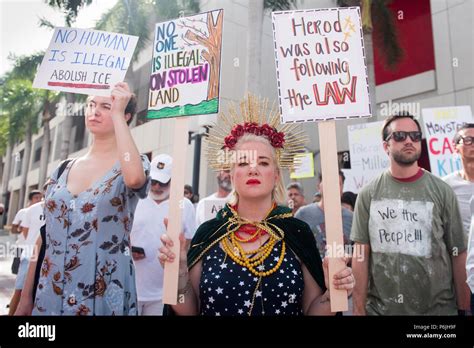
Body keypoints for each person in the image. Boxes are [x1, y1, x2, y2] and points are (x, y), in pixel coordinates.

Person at [159, 95, 354, 316]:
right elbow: (188, 310)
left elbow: (312, 310)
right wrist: (178, 276)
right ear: (232, 176)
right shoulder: (208, 234)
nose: (253, 169)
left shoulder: (298, 233)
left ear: (276, 176)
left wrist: (333, 294)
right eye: (243, 163)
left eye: (263, 162)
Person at [15, 82, 150, 316]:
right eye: (91, 104)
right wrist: (26, 298)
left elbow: (136, 180)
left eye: (106, 106)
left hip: (104, 292)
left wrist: (117, 112)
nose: (94, 111)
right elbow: (44, 237)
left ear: (126, 116)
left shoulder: (131, 166)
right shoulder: (62, 169)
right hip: (50, 293)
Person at [351, 114, 470, 315]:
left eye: (415, 136)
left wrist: (464, 307)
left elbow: (457, 252)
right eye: (399, 136)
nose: (409, 140)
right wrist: (358, 309)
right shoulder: (368, 194)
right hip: (383, 311)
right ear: (385, 146)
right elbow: (360, 255)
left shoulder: (442, 191)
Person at [131, 154, 196, 315]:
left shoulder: (185, 206)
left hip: (163, 293)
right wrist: (130, 248)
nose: (156, 187)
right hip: (131, 288)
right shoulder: (134, 200)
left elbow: (189, 245)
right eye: (153, 181)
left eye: (163, 182)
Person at [443, 123, 474, 314]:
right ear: (456, 147)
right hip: (462, 275)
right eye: (468, 140)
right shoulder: (445, 186)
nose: (473, 144)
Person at [295, 171, 353, 259]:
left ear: (342, 188)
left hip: (342, 271)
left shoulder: (351, 218)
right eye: (328, 182)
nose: (333, 187)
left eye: (337, 183)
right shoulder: (303, 214)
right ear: (319, 186)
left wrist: (349, 258)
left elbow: (359, 252)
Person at [8, 190, 44, 315]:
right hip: (25, 251)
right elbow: (21, 230)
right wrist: (33, 244)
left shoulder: (54, 207)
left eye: (40, 197)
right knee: (19, 286)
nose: (38, 199)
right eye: (36, 197)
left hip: (43, 256)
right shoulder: (27, 211)